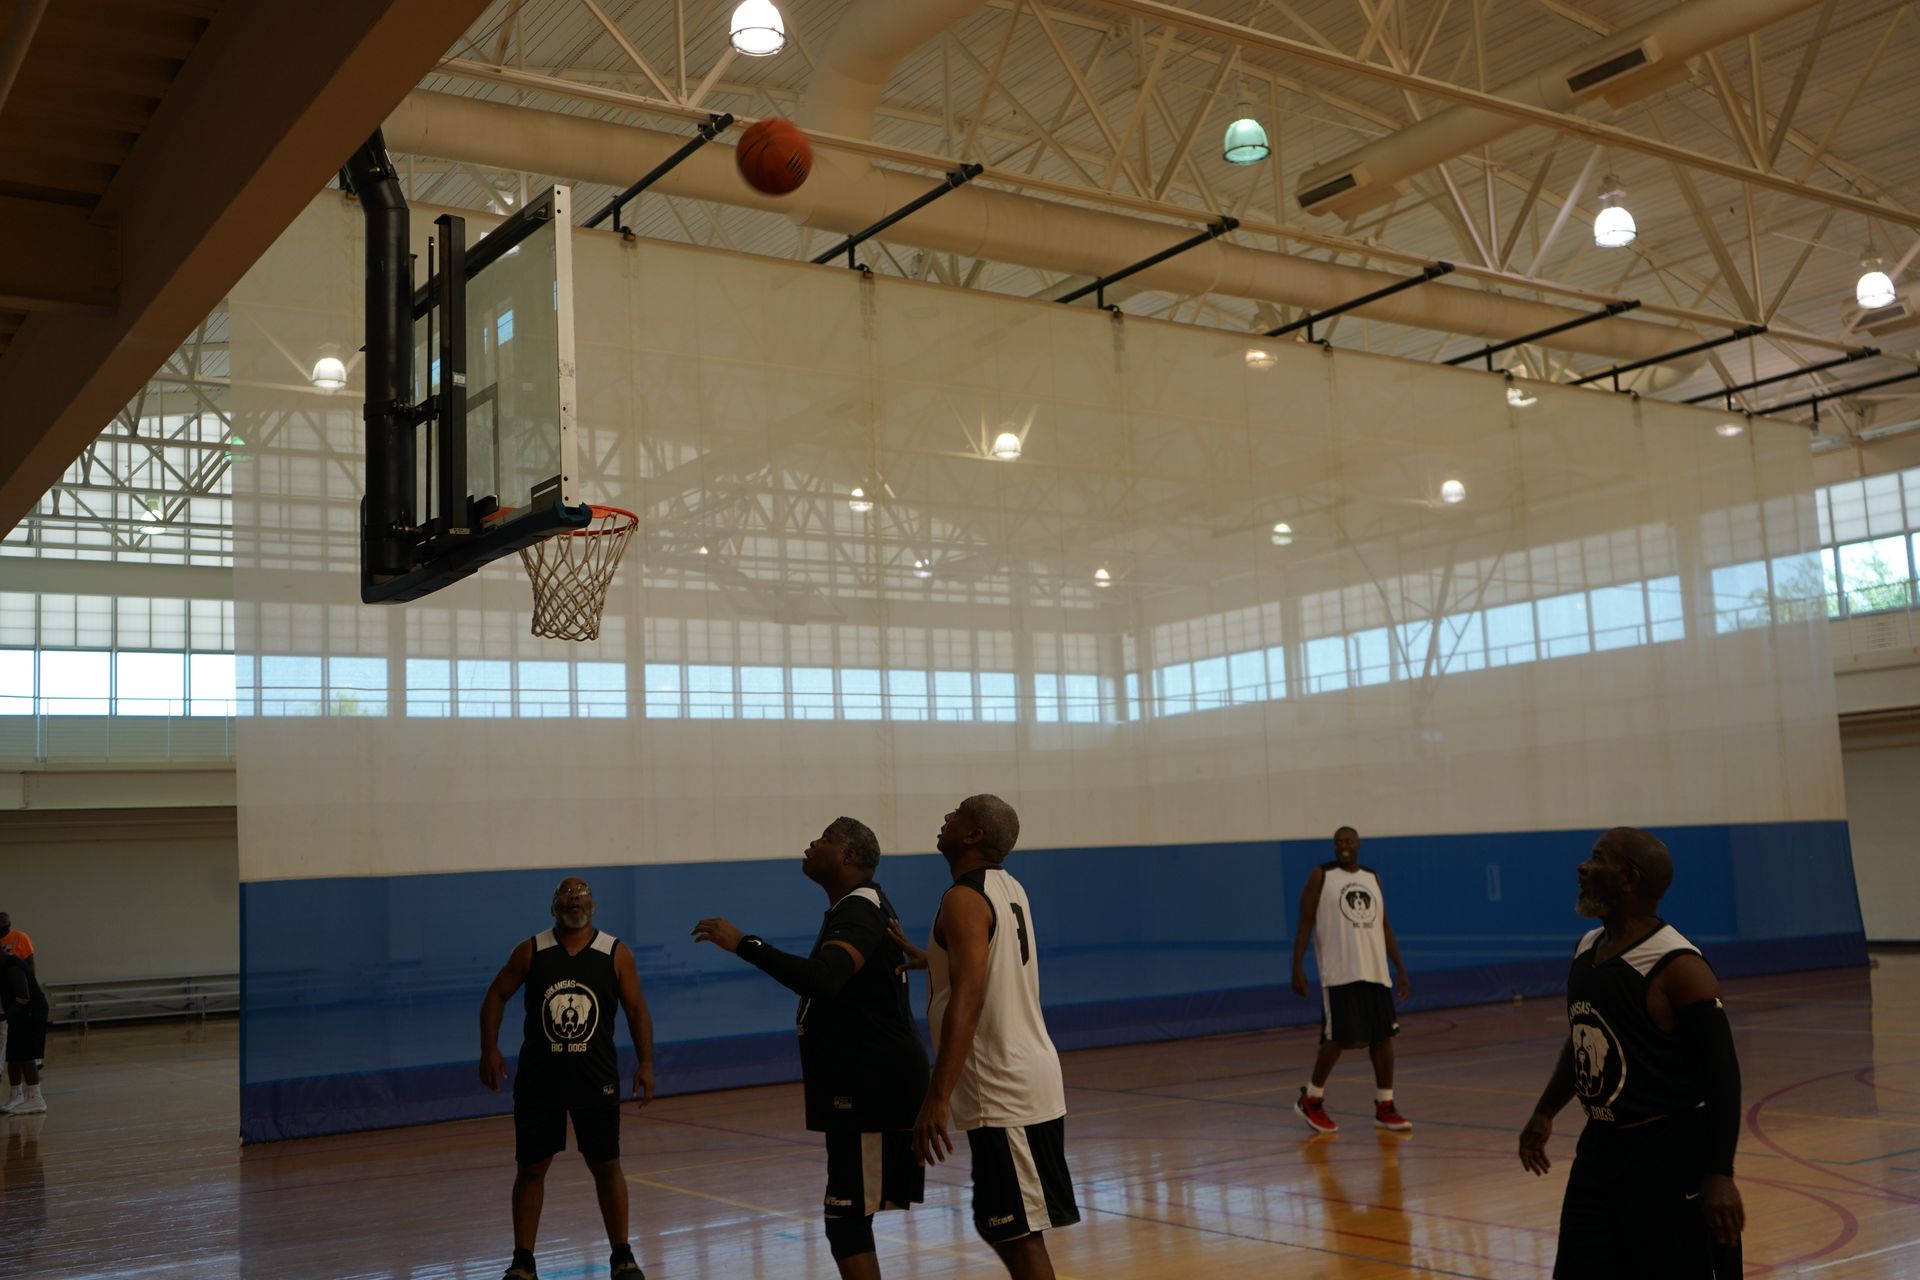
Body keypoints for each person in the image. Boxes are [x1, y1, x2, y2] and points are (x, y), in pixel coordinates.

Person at [691, 817, 930, 1280]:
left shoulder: (861, 908)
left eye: (824, 839)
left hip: (873, 1089)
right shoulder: (852, 907)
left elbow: (822, 979)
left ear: (848, 856)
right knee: (848, 1219)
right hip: (861, 1086)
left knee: (847, 1219)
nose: (811, 844)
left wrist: (745, 944)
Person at [1518, 827, 1745, 1277]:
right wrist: (1545, 1111)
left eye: (1597, 858)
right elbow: (1585, 1038)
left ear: (1628, 880)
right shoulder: (1588, 949)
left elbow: (1724, 1076)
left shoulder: (1678, 965)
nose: (1583, 866)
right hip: (1601, 1148)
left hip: (1670, 1154)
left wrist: (1720, 1172)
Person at [896, 794, 1079, 1280]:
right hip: (1019, 1076)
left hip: (1005, 1085)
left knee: (1020, 1235)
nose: (945, 818)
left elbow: (971, 998)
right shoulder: (1009, 887)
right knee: (998, 1223)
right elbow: (985, 968)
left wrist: (936, 1096)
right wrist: (931, 956)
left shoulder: (962, 898)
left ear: (974, 835)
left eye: (957, 814)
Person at [479, 877, 655, 1280]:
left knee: (607, 1165)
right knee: (531, 1168)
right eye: (567, 899)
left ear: (593, 905)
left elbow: (636, 1010)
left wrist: (645, 1063)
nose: (575, 904)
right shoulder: (531, 950)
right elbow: (495, 995)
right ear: (554, 907)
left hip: (596, 1079)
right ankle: (523, 1260)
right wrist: (489, 1047)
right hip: (541, 1081)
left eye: (582, 898)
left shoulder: (614, 952)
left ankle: (622, 1255)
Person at [1289, 826, 1413, 1134]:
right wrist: (1297, 966)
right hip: (1340, 971)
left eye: (1348, 841)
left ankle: (1385, 1106)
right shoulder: (1322, 875)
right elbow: (1304, 922)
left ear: (1358, 844)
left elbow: (1384, 926)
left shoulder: (1373, 878)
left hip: (1375, 970)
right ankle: (1311, 1100)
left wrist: (1400, 968)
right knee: (1338, 1038)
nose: (1343, 846)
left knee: (1382, 1038)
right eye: (1338, 842)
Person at [0, 946, 47, 1115]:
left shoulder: (13, 966)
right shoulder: (3, 966)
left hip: (31, 1013)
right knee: (13, 1056)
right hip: (19, 1013)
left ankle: (36, 1099)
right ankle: (16, 1095)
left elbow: (23, 997)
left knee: (26, 1055)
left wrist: (5, 1016)